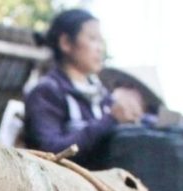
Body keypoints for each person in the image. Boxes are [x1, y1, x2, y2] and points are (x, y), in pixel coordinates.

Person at [23, 9, 144, 167]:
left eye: (101, 41)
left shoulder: (101, 95)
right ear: (65, 43)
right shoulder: (46, 92)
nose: (100, 48)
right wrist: (110, 119)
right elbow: (49, 151)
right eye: (93, 39)